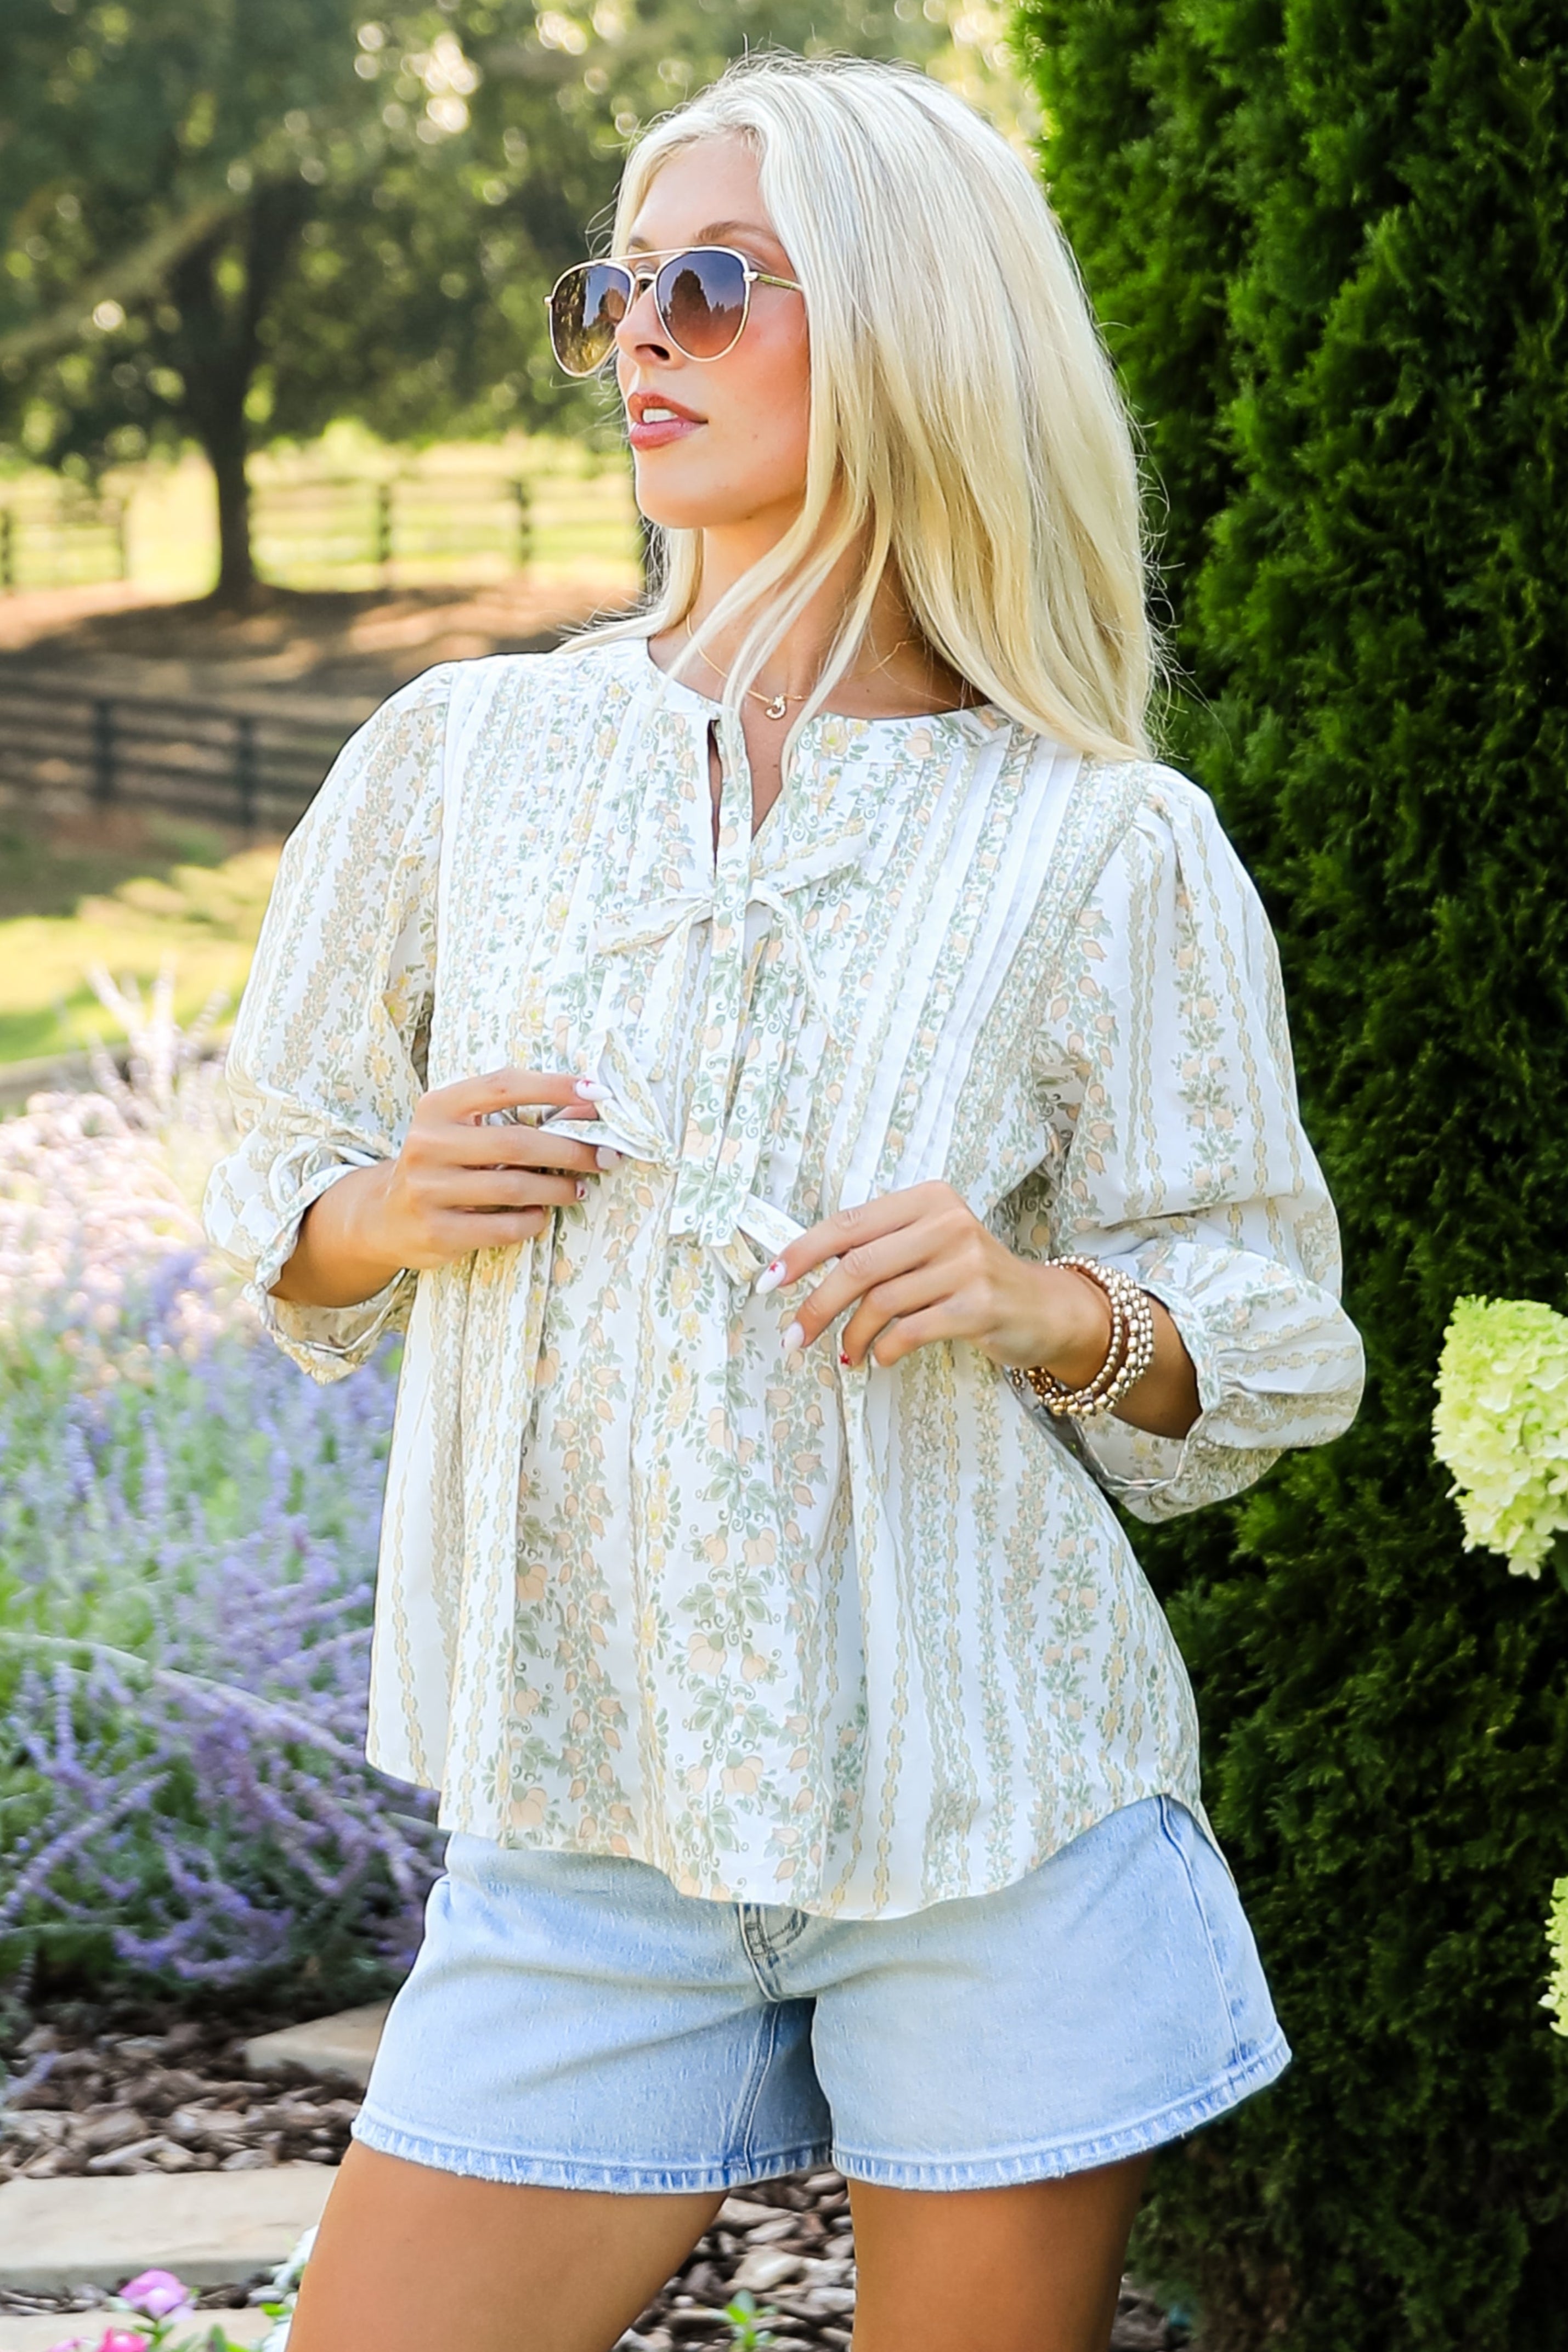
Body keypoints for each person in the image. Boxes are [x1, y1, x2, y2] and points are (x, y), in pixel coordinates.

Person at [203, 51, 1364, 2352]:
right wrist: (383, 1209)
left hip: (988, 1817)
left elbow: (1269, 1323)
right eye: (613, 291)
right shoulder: (465, 758)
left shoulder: (1099, 838)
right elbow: (273, 1178)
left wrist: (1044, 1307)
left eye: (712, 285)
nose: (638, 335)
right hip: (580, 1824)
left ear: (918, 326)